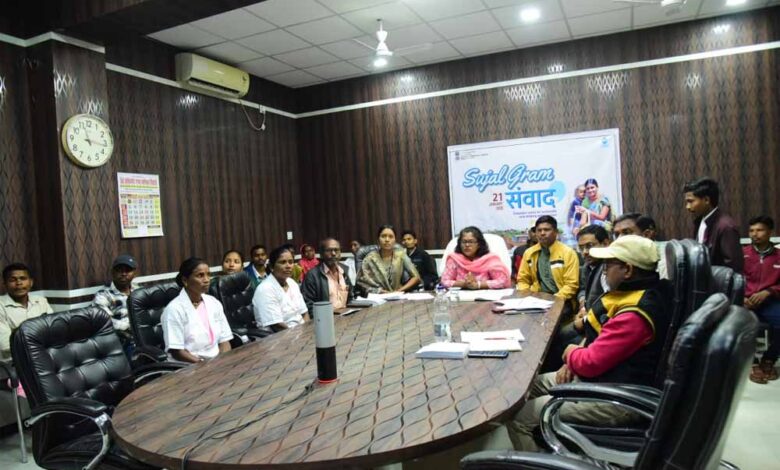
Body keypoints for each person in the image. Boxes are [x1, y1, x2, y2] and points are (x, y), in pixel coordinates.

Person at [508, 235, 669, 451]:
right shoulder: (629, 294)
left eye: (609, 264)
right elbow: (597, 337)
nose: (604, 270)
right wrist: (573, 359)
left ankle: (537, 462)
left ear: (628, 270)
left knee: (520, 417)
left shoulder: (634, 314)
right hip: (599, 378)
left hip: (615, 398)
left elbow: (590, 363)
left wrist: (571, 353)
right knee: (527, 387)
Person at [161, 257, 233, 363]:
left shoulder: (214, 302)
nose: (207, 280)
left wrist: (221, 361)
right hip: (189, 365)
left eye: (208, 274)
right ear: (185, 280)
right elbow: (177, 351)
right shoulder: (174, 309)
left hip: (217, 361)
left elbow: (225, 341)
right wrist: (203, 365)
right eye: (200, 275)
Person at [743, 216, 780, 384]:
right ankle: (752, 363)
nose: (754, 234)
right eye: (751, 230)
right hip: (745, 301)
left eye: (760, 230)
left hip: (770, 302)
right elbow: (734, 277)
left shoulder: (778, 255)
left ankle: (769, 359)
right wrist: (742, 296)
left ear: (770, 232)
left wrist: (768, 292)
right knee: (740, 326)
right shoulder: (742, 254)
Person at [517, 216, 580, 312]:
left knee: (549, 318)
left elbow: (571, 285)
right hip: (536, 300)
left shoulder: (568, 253)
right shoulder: (529, 253)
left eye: (546, 230)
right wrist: (526, 296)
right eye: (539, 230)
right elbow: (522, 280)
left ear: (556, 232)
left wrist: (554, 300)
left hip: (562, 300)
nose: (542, 233)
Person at [683, 177, 743, 272]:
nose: (687, 207)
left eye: (691, 201)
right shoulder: (700, 222)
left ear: (706, 200)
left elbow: (733, 268)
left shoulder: (726, 227)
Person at [0, 263, 52, 360]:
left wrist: (18, 334)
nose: (19, 283)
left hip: (44, 356)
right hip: (14, 362)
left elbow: (54, 331)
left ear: (31, 282)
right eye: (12, 280)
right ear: (5, 284)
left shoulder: (41, 301)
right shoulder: (1, 306)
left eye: (23, 278)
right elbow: (6, 345)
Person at [92, 254, 140, 357]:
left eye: (128, 270)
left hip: (142, 334)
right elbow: (105, 322)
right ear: (112, 272)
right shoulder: (103, 295)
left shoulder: (138, 290)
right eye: (119, 270)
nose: (123, 274)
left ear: (135, 273)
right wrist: (131, 326)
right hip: (121, 340)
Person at [253, 246, 308, 331]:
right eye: (283, 262)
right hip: (278, 336)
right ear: (271, 267)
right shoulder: (265, 289)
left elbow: (304, 313)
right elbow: (277, 326)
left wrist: (307, 331)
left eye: (291, 262)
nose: (288, 266)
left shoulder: (292, 283)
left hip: (301, 331)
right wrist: (301, 335)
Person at [441, 226, 511, 289]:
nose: (467, 245)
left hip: (486, 297)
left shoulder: (490, 260)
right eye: (464, 242)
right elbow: (444, 281)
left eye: (471, 242)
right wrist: (464, 284)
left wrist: (478, 285)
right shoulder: (454, 259)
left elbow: (503, 281)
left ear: (479, 244)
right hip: (460, 296)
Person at [357, 225, 421, 293]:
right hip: (377, 296)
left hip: (397, 296)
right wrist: (380, 291)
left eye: (391, 237)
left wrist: (400, 290)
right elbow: (361, 283)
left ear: (395, 240)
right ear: (378, 239)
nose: (387, 240)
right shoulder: (369, 259)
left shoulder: (401, 255)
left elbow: (416, 277)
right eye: (383, 236)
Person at [301, 238, 355, 315]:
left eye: (336, 250)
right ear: (321, 254)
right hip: (326, 319)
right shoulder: (312, 276)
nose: (333, 253)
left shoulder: (344, 271)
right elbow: (308, 305)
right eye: (329, 250)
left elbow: (351, 298)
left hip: (347, 317)